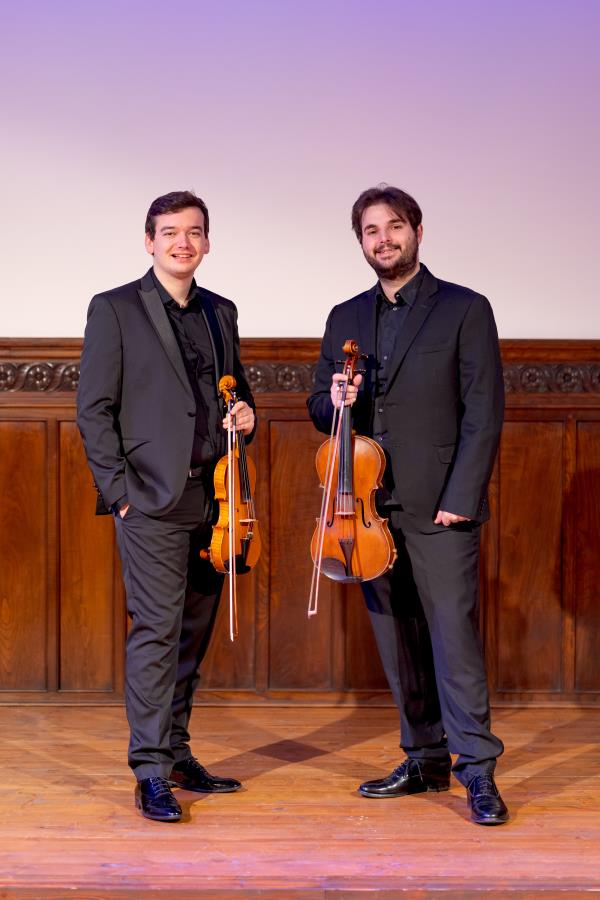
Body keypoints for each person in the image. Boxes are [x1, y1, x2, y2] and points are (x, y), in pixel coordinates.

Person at [307, 185, 508, 825]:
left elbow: (484, 413)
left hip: (439, 506)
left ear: (417, 231)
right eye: (371, 231)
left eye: (394, 227)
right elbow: (317, 408)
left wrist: (461, 499)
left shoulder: (465, 309)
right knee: (398, 640)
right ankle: (423, 759)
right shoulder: (345, 317)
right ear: (361, 242)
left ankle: (476, 771)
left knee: (453, 640)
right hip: (366, 504)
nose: (383, 239)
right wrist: (335, 397)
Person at [77, 190, 255, 822]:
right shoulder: (116, 309)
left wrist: (247, 413)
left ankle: (178, 752)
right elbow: (93, 410)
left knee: (191, 633)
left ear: (207, 242)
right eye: (171, 232)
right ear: (149, 241)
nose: (184, 242)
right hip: (151, 499)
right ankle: (149, 769)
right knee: (156, 631)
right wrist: (121, 497)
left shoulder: (220, 313)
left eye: (195, 232)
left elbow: (240, 393)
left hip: (217, 500)